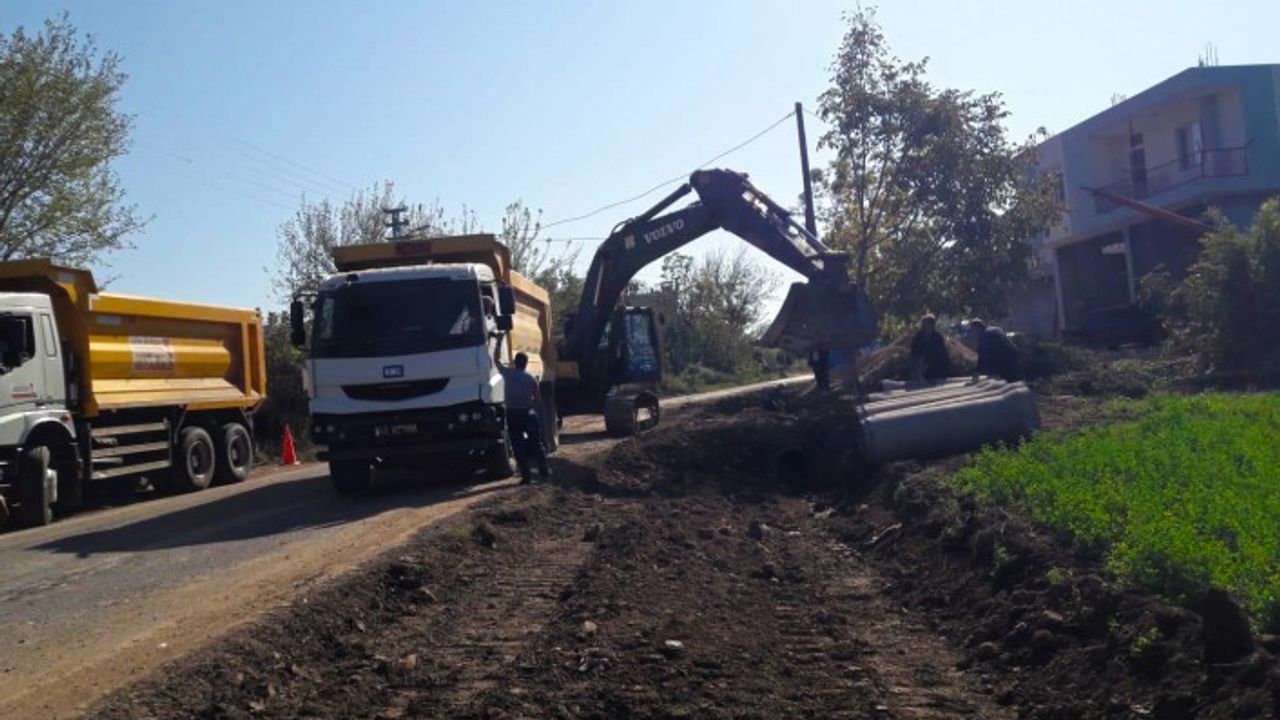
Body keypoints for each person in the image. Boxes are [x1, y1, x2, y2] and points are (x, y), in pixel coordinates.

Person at [499, 352, 550, 484]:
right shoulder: (531, 379)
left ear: (515, 362)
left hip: (512, 414)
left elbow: (495, 360)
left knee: (518, 446)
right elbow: (538, 399)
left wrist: (498, 342)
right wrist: (530, 407)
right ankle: (544, 473)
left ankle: (526, 477)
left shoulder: (508, 374)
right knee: (537, 444)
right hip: (528, 413)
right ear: (526, 364)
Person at [909, 314, 951, 381]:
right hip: (921, 365)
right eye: (923, 324)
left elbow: (941, 353)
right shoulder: (918, 336)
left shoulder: (938, 337)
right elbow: (914, 351)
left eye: (927, 324)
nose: (924, 326)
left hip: (935, 366)